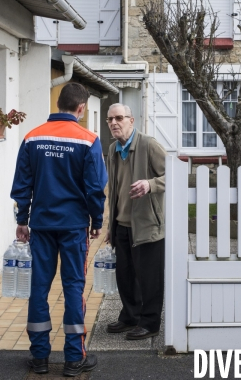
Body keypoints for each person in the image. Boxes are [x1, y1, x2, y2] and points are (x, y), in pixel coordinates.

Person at [11, 83, 107, 376]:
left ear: (58, 103)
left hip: (41, 226)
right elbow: (94, 189)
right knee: (74, 288)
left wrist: (23, 221)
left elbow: (21, 185)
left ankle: (39, 357)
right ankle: (73, 359)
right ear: (81, 108)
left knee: (39, 288)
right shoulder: (89, 140)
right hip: (74, 227)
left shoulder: (32, 137)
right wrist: (97, 221)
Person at [104, 103, 166, 340]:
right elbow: (116, 191)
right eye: (110, 119)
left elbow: (173, 175)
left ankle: (150, 322)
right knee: (125, 276)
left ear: (132, 120)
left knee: (149, 278)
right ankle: (130, 317)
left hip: (147, 225)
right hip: (122, 225)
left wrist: (150, 185)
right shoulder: (113, 149)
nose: (113, 123)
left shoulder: (149, 145)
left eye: (119, 118)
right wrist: (111, 226)